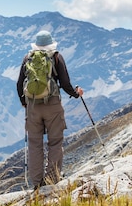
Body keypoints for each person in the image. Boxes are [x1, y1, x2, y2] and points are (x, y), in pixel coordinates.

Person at [17, 30, 83, 190]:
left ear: (36, 44)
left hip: (32, 107)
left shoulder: (28, 58)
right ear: (51, 43)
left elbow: (19, 84)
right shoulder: (56, 57)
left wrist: (25, 103)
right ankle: (52, 181)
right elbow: (66, 83)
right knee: (55, 142)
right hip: (52, 105)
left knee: (34, 144)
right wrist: (76, 93)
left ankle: (37, 183)